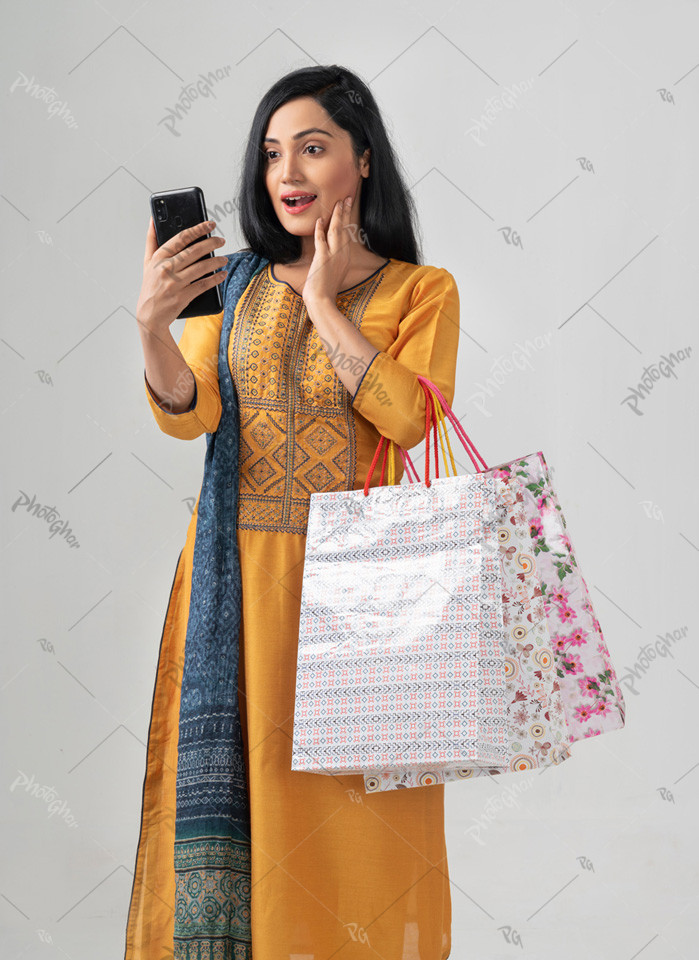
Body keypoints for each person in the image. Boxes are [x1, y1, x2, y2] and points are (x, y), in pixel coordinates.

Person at [125, 64, 460, 960]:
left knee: (358, 834)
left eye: (312, 148)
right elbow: (186, 411)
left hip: (357, 607)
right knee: (245, 814)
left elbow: (409, 416)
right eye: (274, 153)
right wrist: (154, 327)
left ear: (361, 161)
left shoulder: (418, 291)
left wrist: (321, 298)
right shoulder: (228, 285)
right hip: (236, 594)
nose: (289, 172)